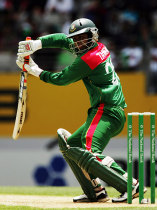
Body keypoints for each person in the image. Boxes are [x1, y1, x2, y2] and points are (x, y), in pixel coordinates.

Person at [17, 18, 145, 203]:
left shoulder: (89, 58)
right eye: (76, 39)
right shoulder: (95, 47)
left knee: (88, 151)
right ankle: (95, 192)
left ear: (93, 35)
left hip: (107, 111)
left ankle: (130, 186)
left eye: (82, 38)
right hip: (103, 111)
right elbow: (63, 39)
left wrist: (34, 70)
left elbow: (61, 78)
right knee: (70, 145)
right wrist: (37, 44)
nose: (78, 42)